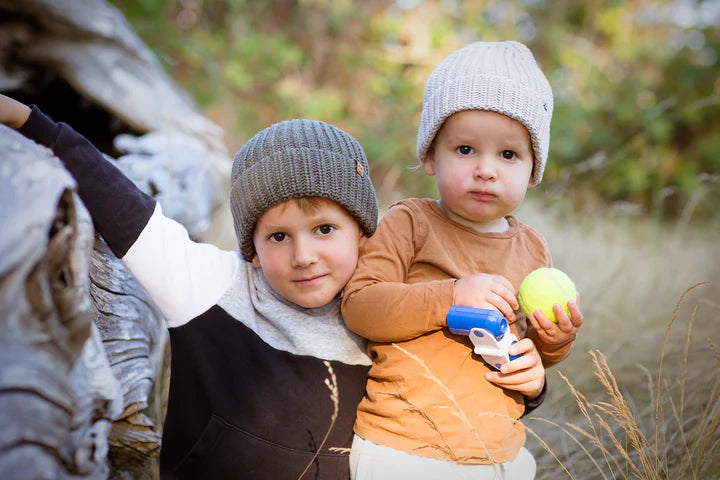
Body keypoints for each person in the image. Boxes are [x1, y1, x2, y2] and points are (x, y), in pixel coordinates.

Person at [0, 93, 379, 480]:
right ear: (253, 250)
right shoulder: (216, 289)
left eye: (324, 230)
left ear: (363, 234)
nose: (304, 255)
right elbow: (128, 212)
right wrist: (29, 122)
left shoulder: (387, 315)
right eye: (279, 237)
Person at [341, 41, 584, 479]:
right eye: (466, 149)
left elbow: (526, 348)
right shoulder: (409, 222)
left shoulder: (533, 249)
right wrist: (452, 295)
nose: (485, 169)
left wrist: (550, 347)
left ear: (532, 170)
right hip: (402, 448)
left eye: (508, 154)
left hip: (500, 455)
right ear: (431, 155)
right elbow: (360, 306)